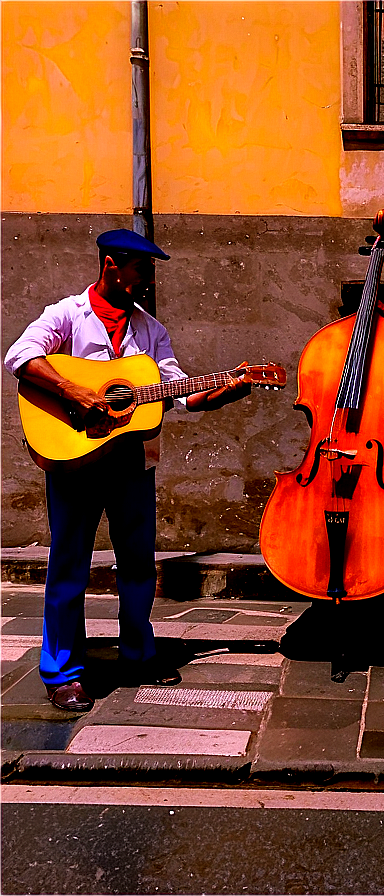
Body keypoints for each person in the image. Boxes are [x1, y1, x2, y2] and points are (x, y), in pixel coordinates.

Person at [4, 229, 251, 712]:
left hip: (134, 462)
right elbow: (20, 356)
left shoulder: (150, 331)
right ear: (112, 265)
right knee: (68, 566)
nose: (150, 278)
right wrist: (78, 393)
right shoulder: (66, 315)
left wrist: (225, 389)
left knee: (138, 564)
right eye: (143, 268)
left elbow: (179, 390)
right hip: (74, 460)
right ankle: (62, 671)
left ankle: (138, 652)